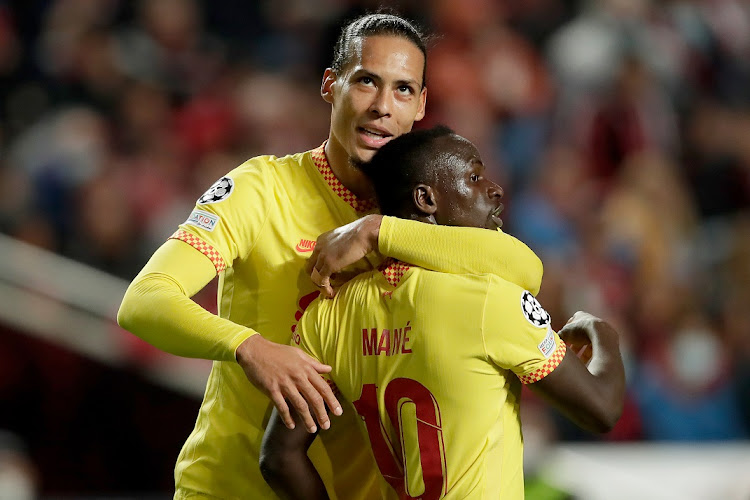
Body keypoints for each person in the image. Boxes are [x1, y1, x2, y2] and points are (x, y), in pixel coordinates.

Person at [117, 13, 544, 500]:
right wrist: (252, 348)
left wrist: (378, 231)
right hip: (232, 487)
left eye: (403, 90)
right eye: (366, 81)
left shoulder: (423, 213)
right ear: (330, 85)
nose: (383, 106)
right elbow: (144, 300)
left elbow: (525, 269)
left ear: (421, 105)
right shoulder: (262, 188)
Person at [260, 126, 626, 500]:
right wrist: (601, 331)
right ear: (426, 199)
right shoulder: (489, 300)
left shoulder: (329, 314)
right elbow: (601, 409)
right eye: (474, 177)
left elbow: (278, 457)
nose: (495, 189)